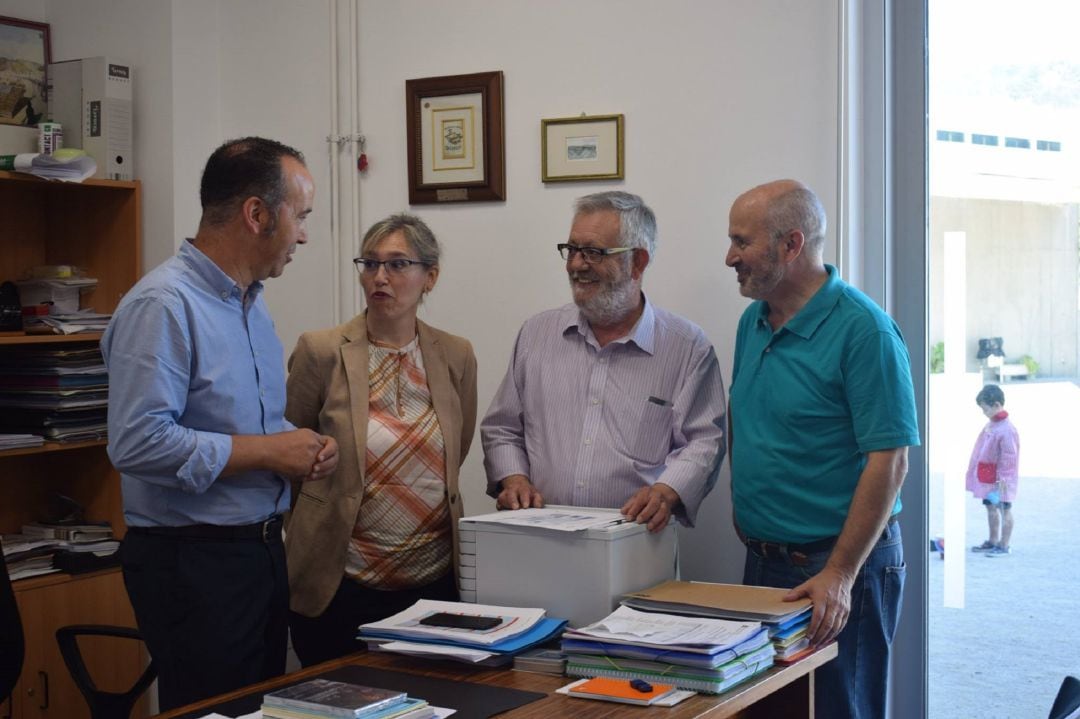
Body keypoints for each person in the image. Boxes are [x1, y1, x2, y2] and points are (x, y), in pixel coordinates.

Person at [102, 137, 339, 711]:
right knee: (214, 712)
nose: (304, 235)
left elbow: (234, 418)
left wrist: (297, 444)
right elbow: (138, 441)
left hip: (258, 551)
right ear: (257, 215)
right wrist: (268, 453)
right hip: (193, 562)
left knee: (258, 710)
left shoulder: (251, 303)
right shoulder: (162, 305)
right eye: (300, 217)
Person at [725, 179, 920, 719]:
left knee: (841, 710)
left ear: (791, 245)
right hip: (765, 561)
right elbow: (745, 417)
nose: (729, 257)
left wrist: (839, 573)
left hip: (836, 567)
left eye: (743, 242)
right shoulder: (753, 319)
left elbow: (891, 459)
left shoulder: (865, 331)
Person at [285, 213, 477, 666]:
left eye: (397, 264)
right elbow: (291, 456)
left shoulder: (456, 354)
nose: (380, 277)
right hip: (340, 581)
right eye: (369, 264)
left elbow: (458, 449)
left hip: (433, 582)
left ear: (430, 277)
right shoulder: (321, 350)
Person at [481, 191, 726, 531]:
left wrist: (666, 491)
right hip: (540, 538)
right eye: (571, 250)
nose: (576, 265)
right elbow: (502, 427)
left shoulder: (687, 347)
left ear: (637, 261)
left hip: (634, 540)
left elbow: (704, 441)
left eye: (594, 252)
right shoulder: (536, 334)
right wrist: (514, 478)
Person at [966, 384, 1020, 557]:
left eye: (985, 409)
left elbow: (1009, 461)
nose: (984, 412)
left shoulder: (1007, 430)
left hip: (1001, 481)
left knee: (1004, 509)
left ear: (997, 405)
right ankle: (993, 540)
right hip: (988, 478)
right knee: (990, 508)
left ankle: (1004, 545)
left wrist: (1001, 484)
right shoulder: (991, 425)